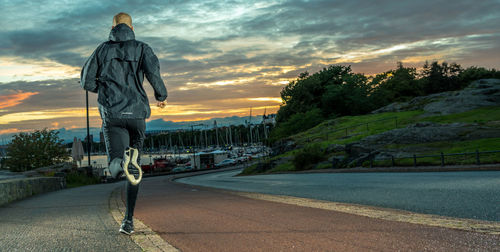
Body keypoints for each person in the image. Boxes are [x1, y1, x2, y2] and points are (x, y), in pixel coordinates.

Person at [80, 12, 167, 235]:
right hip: (137, 116)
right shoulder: (143, 48)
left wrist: (106, 89)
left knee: (116, 166)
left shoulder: (102, 49)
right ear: (132, 27)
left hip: (113, 115)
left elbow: (86, 82)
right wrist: (161, 96)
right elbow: (153, 74)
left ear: (113, 27)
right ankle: (128, 221)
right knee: (134, 172)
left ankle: (121, 161)